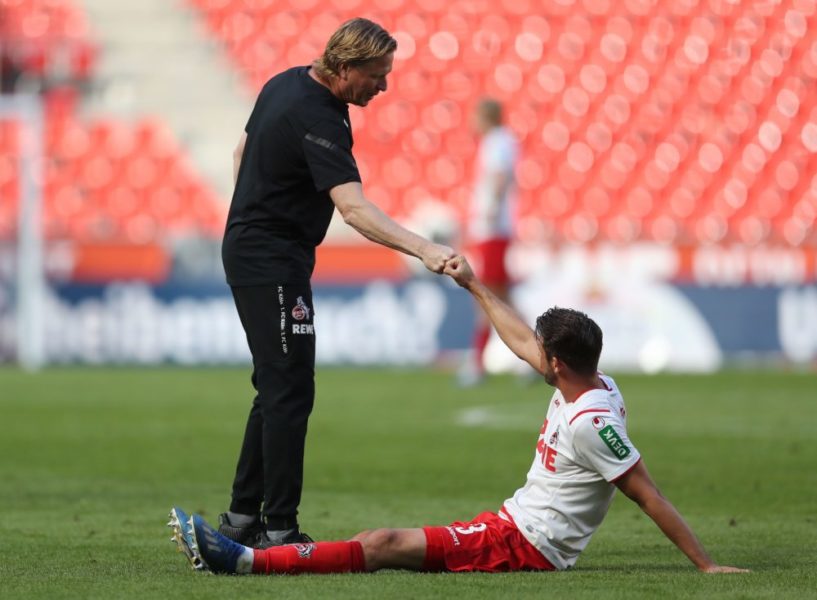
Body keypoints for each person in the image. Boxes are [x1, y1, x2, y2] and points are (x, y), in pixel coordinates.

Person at [169, 255, 748, 576]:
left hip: (524, 543)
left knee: (381, 543)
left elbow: (647, 494)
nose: (529, 352)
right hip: (515, 524)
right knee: (384, 542)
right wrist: (473, 285)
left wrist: (706, 566)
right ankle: (253, 558)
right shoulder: (591, 382)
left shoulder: (590, 423)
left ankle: (246, 561)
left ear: (555, 361)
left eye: (539, 352)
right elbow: (521, 335)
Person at [219, 17, 455, 549]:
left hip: (260, 250)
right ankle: (278, 529)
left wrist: (247, 216)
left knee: (277, 387)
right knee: (290, 390)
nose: (384, 85)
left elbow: (240, 152)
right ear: (345, 68)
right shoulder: (319, 116)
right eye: (377, 74)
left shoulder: (284, 82)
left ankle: (241, 519)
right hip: (271, 259)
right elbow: (352, 209)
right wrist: (425, 249)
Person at [460, 98, 519, 386]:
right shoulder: (497, 141)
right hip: (490, 230)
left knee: (485, 293)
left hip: (492, 230)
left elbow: (499, 177)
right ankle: (540, 352)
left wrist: (491, 212)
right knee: (499, 294)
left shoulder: (498, 141)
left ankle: (478, 361)